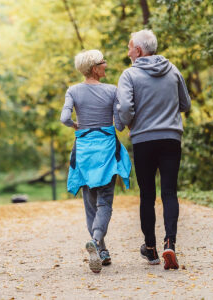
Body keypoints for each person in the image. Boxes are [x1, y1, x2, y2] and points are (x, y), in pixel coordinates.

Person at [117, 30, 191, 270]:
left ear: (138, 51)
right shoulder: (173, 70)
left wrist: (128, 124)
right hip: (171, 138)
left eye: (130, 47)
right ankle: (170, 242)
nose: (128, 52)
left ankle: (150, 249)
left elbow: (126, 107)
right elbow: (185, 104)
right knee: (169, 192)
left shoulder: (129, 75)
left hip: (144, 141)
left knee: (147, 195)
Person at [60, 50, 131, 273]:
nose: (106, 65)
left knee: (90, 203)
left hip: (84, 151)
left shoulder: (73, 91)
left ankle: (101, 249)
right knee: (105, 201)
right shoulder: (112, 91)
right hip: (106, 150)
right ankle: (98, 239)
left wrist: (75, 125)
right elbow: (119, 125)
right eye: (102, 62)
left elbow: (64, 118)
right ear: (94, 68)